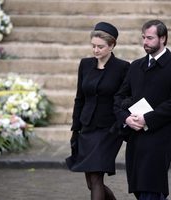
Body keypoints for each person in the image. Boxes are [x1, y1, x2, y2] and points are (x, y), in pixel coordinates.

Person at [65, 21, 129, 200]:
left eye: (100, 47)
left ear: (112, 45)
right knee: (91, 183)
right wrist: (75, 129)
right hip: (87, 127)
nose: (95, 50)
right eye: (93, 46)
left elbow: (126, 98)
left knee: (96, 177)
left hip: (109, 130)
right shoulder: (85, 64)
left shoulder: (123, 67)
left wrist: (122, 122)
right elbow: (80, 98)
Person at [114, 19, 171, 200]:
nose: (145, 42)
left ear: (163, 38)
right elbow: (119, 97)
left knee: (151, 188)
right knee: (139, 188)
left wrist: (148, 118)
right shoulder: (135, 66)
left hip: (160, 136)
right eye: (143, 38)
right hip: (135, 136)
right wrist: (126, 119)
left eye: (150, 38)